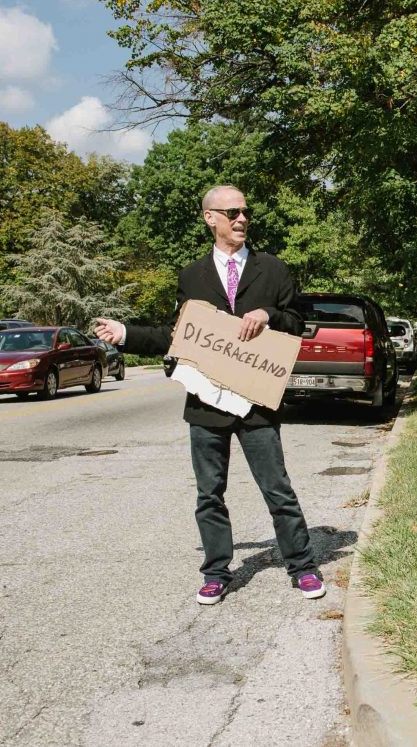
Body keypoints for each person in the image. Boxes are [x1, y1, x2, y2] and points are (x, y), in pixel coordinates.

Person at [94, 185, 325, 605]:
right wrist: (125, 333)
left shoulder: (272, 269)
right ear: (210, 218)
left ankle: (303, 566)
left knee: (277, 489)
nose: (241, 219)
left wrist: (268, 314)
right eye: (231, 212)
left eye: (245, 211)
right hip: (206, 404)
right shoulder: (192, 275)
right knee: (209, 494)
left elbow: (298, 322)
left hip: (255, 402)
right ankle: (217, 572)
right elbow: (178, 336)